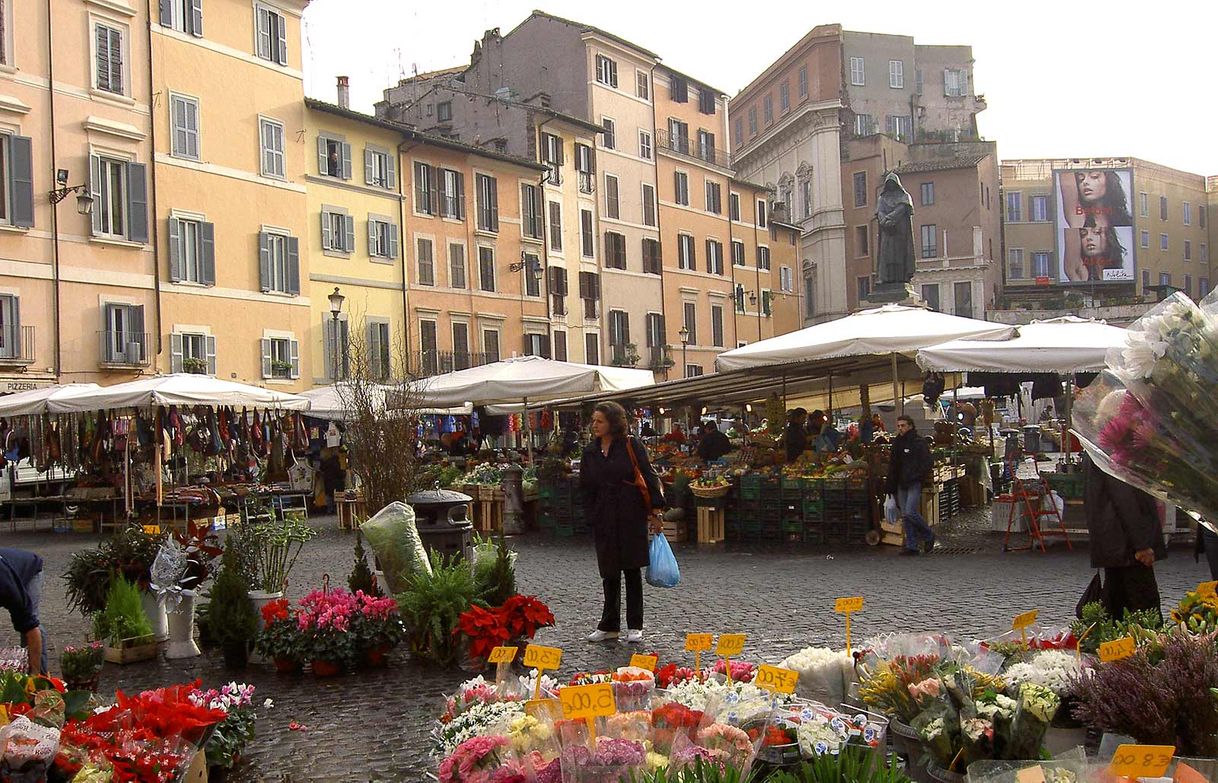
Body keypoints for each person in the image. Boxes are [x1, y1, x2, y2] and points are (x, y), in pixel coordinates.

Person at [580, 401, 665, 644]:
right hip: (603, 516)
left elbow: (648, 474)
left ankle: (635, 624)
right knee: (609, 572)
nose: (594, 425)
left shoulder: (630, 445)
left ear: (612, 423)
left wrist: (656, 510)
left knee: (631, 569)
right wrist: (591, 515)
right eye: (593, 421)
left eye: (600, 421)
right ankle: (609, 625)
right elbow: (586, 486)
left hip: (629, 514)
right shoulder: (590, 451)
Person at [1083, 455, 1166, 619]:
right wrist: (1141, 544)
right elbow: (1125, 497)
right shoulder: (1111, 448)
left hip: (1116, 543)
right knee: (1143, 609)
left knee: (1118, 607)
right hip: (1126, 545)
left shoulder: (1098, 444)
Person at [886, 415, 935, 555]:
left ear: (910, 426)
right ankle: (912, 545)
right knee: (905, 515)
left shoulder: (918, 442)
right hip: (901, 483)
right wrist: (890, 484)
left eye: (903, 425)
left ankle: (928, 534)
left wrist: (917, 475)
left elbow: (927, 462)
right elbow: (893, 465)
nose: (900, 428)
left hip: (914, 482)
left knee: (910, 511)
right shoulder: (897, 443)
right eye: (899, 426)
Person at [0, 549, 45, 675]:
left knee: (29, 624)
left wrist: (35, 674)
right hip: (9, 564)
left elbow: (31, 628)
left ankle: (40, 675)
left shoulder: (7, 589)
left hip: (30, 569)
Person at [1061, 170, 1133, 228]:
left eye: (1094, 176)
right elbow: (1065, 169)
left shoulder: (1128, 221)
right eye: (1080, 179)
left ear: (1109, 180)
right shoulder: (1078, 219)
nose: (1085, 182)